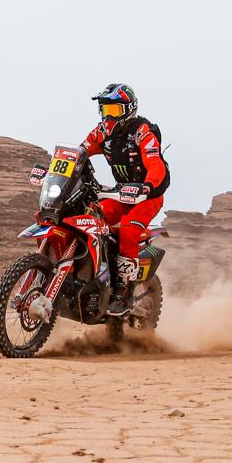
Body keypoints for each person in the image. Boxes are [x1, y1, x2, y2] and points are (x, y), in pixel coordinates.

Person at [82, 83, 171, 314]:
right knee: (90, 216)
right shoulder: (102, 132)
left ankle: (124, 291)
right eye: (105, 110)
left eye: (114, 111)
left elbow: (155, 164)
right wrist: (59, 168)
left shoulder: (143, 131)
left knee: (130, 230)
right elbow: (80, 151)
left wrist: (148, 186)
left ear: (128, 109)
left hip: (148, 195)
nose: (108, 117)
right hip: (122, 193)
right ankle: (97, 274)